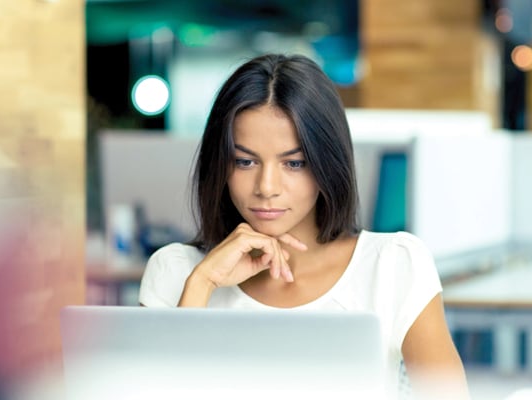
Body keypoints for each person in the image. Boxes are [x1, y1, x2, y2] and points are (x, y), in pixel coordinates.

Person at [139, 53, 469, 399]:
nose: (266, 187)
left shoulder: (393, 265)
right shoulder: (175, 272)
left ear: (327, 163)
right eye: (245, 161)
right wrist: (203, 284)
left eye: (293, 163)